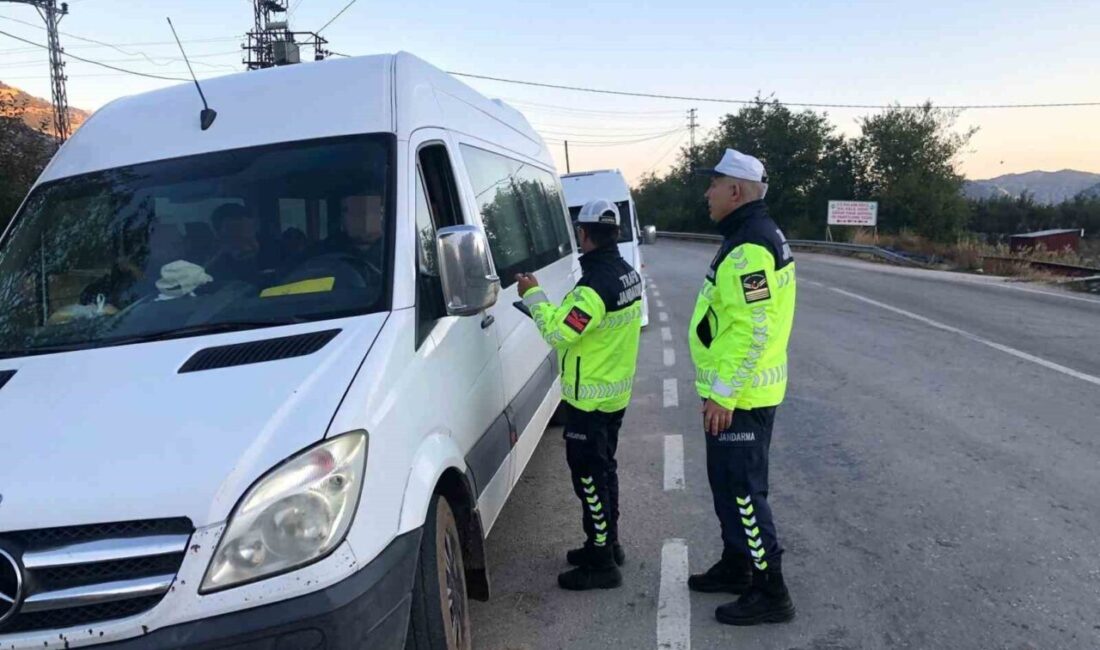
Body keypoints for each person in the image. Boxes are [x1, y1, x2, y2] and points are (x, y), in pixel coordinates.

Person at [688, 149, 798, 625]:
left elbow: (754, 328)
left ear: (736, 190)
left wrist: (724, 394)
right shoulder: (747, 235)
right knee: (727, 487)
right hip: (739, 393)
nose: (706, 193)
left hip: (742, 398)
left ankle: (771, 591)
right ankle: (738, 564)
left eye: (713, 184)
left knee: (743, 493)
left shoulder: (751, 245)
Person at [516, 199, 643, 591]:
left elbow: (559, 333)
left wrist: (534, 296)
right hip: (613, 395)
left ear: (583, 235)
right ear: (616, 233)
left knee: (589, 478)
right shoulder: (627, 274)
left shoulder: (592, 288)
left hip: (588, 402)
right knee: (605, 471)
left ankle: (602, 563)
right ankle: (606, 544)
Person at [205, 203, 263, 286]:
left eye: (250, 239)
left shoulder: (276, 255)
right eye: (237, 239)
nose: (247, 248)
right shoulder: (214, 270)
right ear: (218, 236)